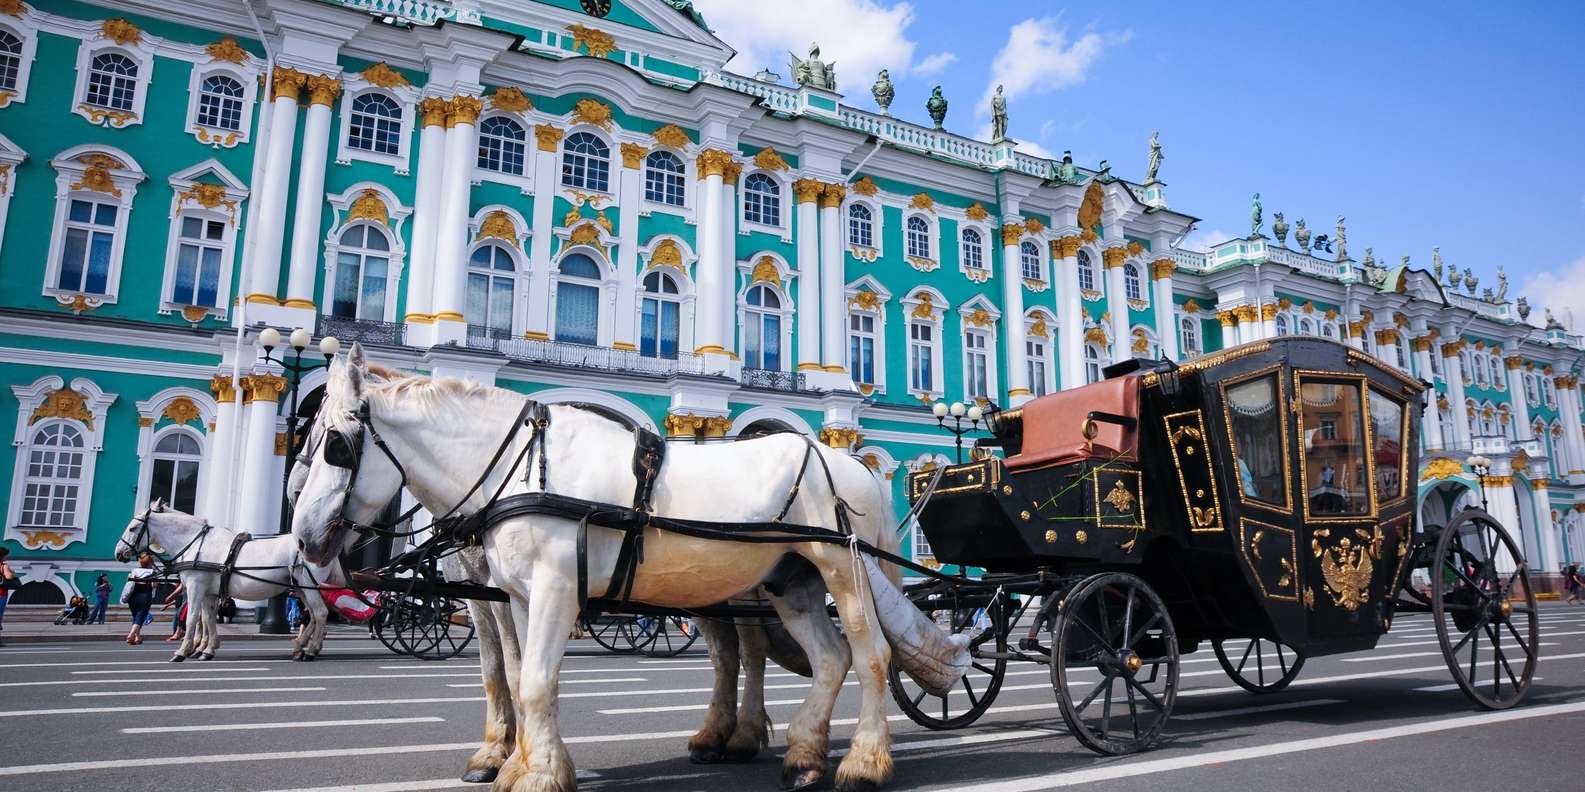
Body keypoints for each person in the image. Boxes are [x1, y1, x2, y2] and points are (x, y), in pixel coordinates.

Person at [123, 553, 157, 645]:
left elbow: (129, 582)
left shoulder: (134, 570)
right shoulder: (152, 572)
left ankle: (137, 638)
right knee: (140, 617)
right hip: (145, 596)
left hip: (133, 597)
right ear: (150, 563)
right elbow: (153, 586)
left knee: (135, 616)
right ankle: (131, 635)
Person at [0, 547, 16, 646]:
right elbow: (8, 577)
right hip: (1, 594)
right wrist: (13, 573)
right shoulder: (3, 566)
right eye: (7, 555)